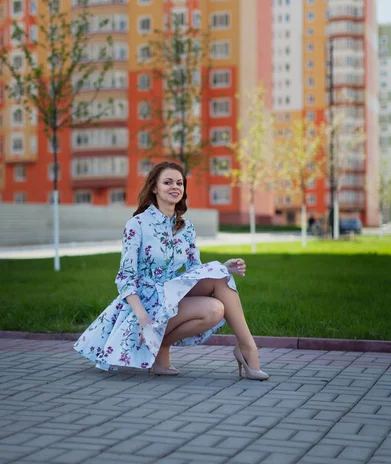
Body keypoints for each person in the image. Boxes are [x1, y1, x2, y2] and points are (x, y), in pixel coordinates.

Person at [74, 161, 269, 380]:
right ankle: (162, 348)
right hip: (147, 300)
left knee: (219, 281)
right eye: (168, 182)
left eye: (179, 183)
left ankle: (246, 347)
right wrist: (142, 316)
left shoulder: (186, 227)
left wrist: (224, 268)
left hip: (172, 293)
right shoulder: (136, 224)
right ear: (154, 188)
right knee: (214, 308)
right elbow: (125, 277)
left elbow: (194, 271)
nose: (175, 187)